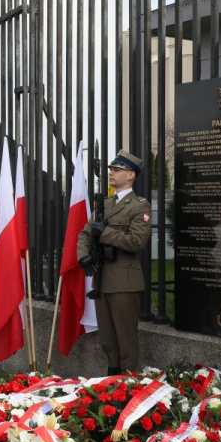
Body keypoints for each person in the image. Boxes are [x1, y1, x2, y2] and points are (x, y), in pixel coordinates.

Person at [76, 150, 152, 375]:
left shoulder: (139, 206)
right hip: (102, 279)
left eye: (117, 169)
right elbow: (84, 234)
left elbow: (136, 242)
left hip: (124, 281)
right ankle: (112, 379)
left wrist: (105, 232)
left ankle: (128, 383)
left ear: (130, 175)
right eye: (111, 169)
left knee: (125, 337)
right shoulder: (104, 205)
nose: (111, 172)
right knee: (107, 338)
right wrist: (84, 257)